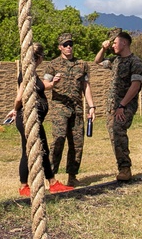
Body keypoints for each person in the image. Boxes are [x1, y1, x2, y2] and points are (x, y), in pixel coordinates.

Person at [5, 43, 73, 196]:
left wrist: (53, 83)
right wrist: (15, 110)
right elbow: (20, 97)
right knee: (37, 150)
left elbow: (43, 86)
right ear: (40, 58)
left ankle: (41, 183)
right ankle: (42, 184)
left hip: (34, 118)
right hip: (28, 118)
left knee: (35, 150)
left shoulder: (32, 74)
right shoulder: (27, 74)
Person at [42, 32, 96, 187]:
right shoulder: (53, 65)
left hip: (77, 108)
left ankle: (72, 176)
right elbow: (44, 84)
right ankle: (51, 176)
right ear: (60, 47)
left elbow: (85, 86)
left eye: (70, 44)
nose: (69, 47)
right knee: (58, 140)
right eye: (65, 45)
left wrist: (91, 106)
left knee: (77, 143)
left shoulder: (82, 65)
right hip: (60, 108)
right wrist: (53, 83)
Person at [94, 31, 142, 181]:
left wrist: (122, 105)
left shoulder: (135, 62)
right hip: (113, 105)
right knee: (114, 136)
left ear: (124, 43)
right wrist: (103, 48)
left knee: (118, 130)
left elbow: (135, 86)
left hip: (125, 105)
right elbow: (97, 61)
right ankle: (122, 167)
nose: (113, 46)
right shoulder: (115, 60)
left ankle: (125, 169)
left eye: (115, 43)